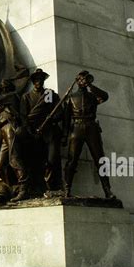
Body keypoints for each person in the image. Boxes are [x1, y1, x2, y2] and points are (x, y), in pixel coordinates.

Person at [63, 71, 116, 199]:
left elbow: (105, 96)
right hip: (76, 127)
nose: (83, 81)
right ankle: (66, 189)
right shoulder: (71, 97)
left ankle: (107, 190)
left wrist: (91, 86)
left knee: (100, 160)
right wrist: (64, 136)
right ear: (77, 80)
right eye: (81, 79)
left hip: (92, 127)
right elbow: (66, 119)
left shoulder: (93, 96)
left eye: (86, 79)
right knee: (72, 161)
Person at [0, 79, 29, 200]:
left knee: (14, 159)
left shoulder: (11, 96)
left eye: (3, 87)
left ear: (7, 88)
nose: (2, 89)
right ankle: (11, 188)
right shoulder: (6, 96)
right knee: (0, 164)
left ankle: (23, 189)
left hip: (10, 128)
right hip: (3, 129)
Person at [20, 69, 63, 193]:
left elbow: (59, 111)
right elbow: (23, 116)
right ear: (33, 81)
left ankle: (54, 186)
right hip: (33, 133)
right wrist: (30, 130)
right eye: (36, 79)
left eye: (41, 79)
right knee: (34, 161)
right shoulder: (26, 97)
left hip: (49, 131)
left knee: (52, 159)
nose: (38, 81)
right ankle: (35, 188)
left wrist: (51, 118)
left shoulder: (49, 95)